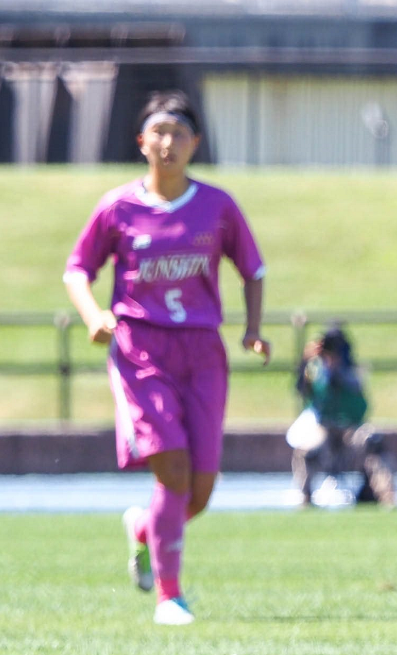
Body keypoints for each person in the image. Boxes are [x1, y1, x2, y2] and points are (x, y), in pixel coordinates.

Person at [63, 89, 270, 626]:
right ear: (141, 142)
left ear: (195, 143)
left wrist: (251, 330)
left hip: (203, 352)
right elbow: (77, 270)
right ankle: (170, 596)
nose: (168, 142)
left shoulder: (217, 206)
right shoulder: (118, 207)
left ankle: (141, 529)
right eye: (158, 132)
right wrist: (94, 316)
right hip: (141, 351)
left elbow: (253, 270)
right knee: (173, 471)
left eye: (179, 133)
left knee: (197, 491)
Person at [290, 324, 396, 508]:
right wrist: (305, 361)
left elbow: (358, 400)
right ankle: (304, 497)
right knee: (304, 450)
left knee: (372, 441)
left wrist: (337, 367)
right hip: (323, 426)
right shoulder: (315, 369)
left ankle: (386, 495)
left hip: (350, 427)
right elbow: (301, 390)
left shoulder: (351, 370)